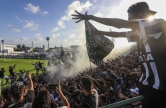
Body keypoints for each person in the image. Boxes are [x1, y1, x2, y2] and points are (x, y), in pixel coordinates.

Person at [72, 2, 166, 108]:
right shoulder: (139, 33)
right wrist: (100, 32)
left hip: (159, 88)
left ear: (139, 15)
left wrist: (91, 17)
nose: (128, 21)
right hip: (146, 87)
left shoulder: (158, 24)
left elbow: (119, 25)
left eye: (129, 17)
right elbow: (119, 34)